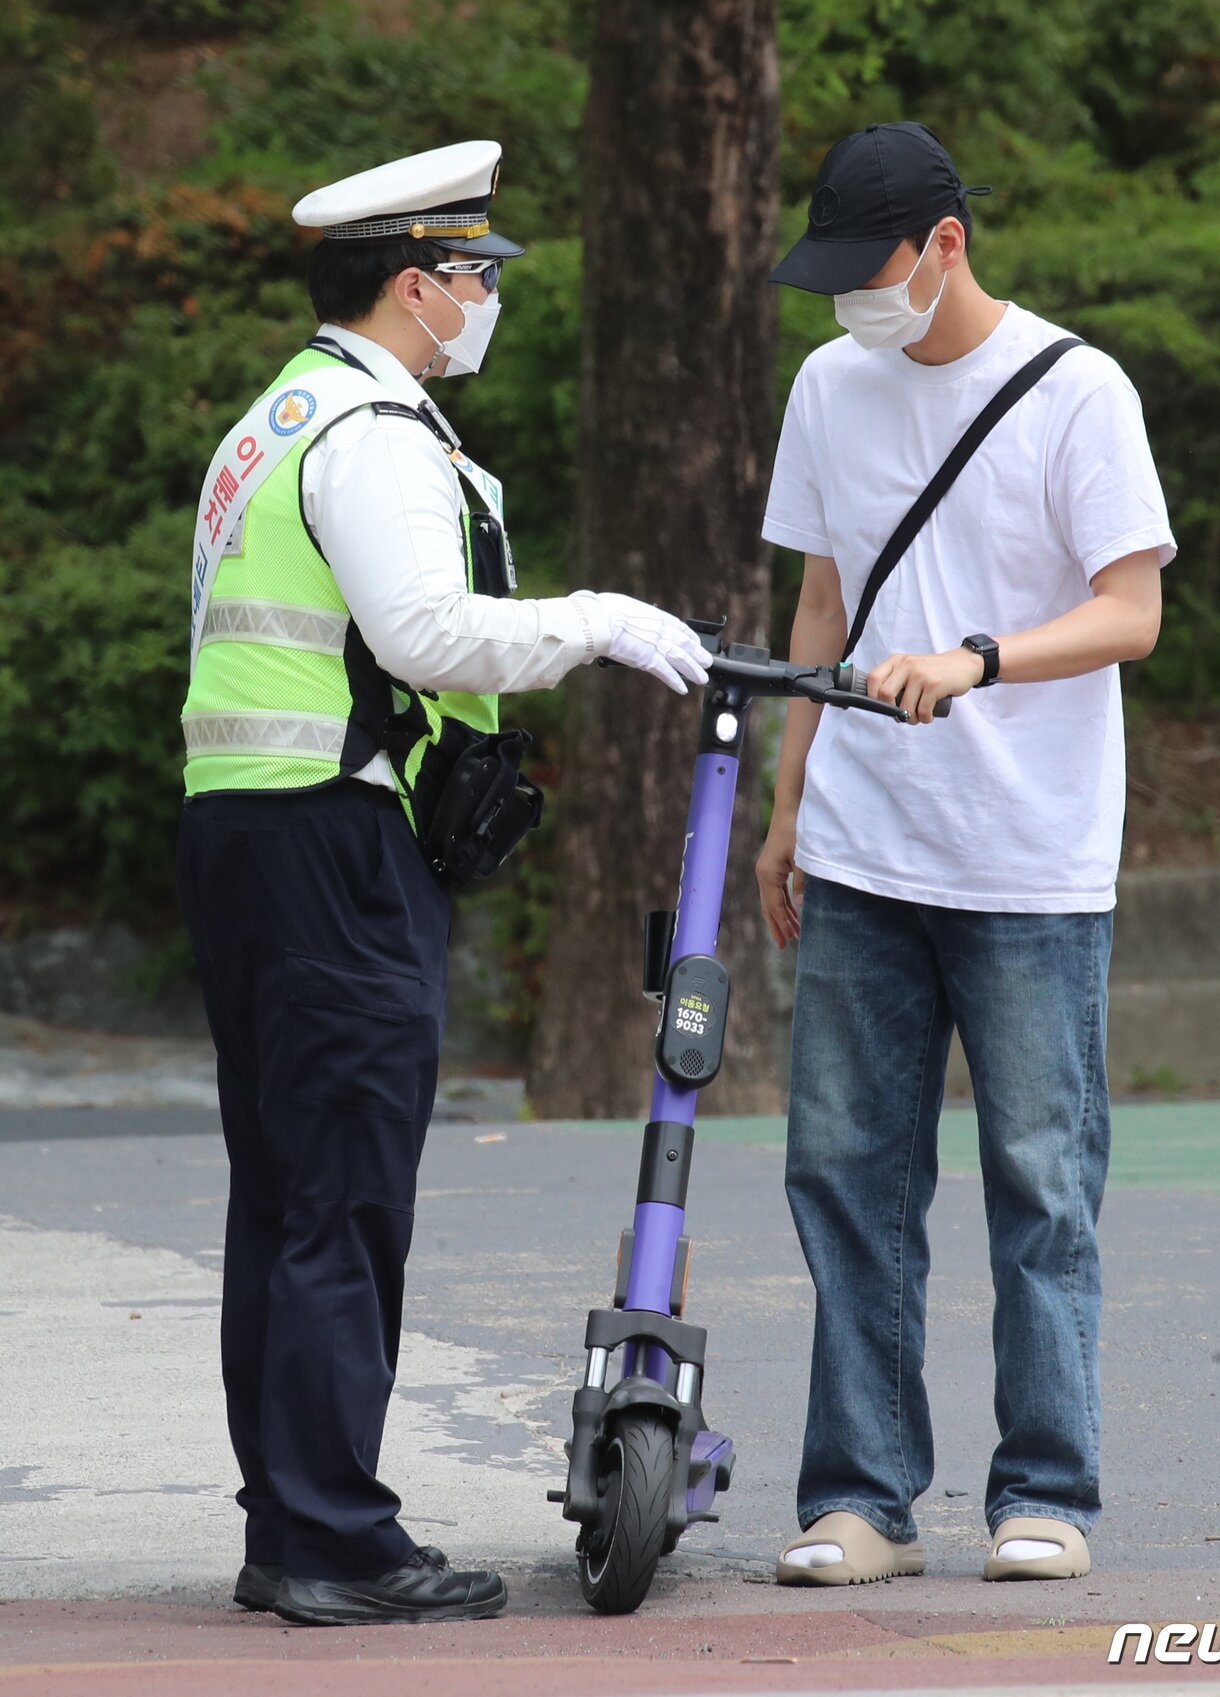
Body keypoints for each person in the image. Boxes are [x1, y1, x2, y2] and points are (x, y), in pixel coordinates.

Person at [176, 139, 710, 1627]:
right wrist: (595, 616)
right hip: (333, 850)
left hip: (249, 831)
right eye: (476, 276)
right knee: (341, 1197)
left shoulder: (272, 421)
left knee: (285, 1194)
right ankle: (336, 1536)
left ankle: (291, 1516)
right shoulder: (373, 430)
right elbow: (420, 631)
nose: (486, 299)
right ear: (416, 285)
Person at [755, 122, 1173, 1586]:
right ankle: (861, 1497)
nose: (852, 306)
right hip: (866, 843)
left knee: (1041, 1182)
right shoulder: (829, 382)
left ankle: (1046, 1489)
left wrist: (982, 657)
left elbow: (1133, 612)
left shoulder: (1078, 392)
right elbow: (820, 601)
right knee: (846, 1173)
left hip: (1030, 860)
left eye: (870, 275)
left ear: (945, 244)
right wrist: (789, 801)